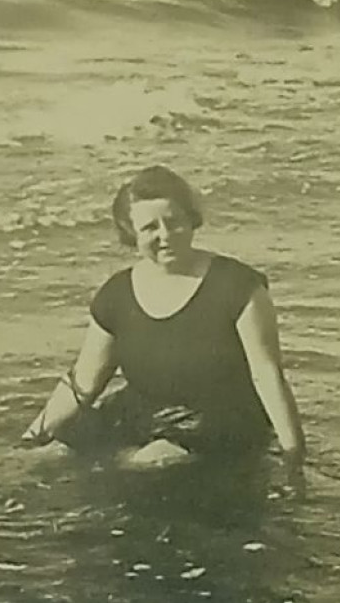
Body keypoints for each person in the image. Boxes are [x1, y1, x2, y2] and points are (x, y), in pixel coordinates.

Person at [20, 165, 307, 490]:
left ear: (190, 219)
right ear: (131, 233)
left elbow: (267, 376)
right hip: (143, 413)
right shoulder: (117, 294)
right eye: (150, 228)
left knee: (141, 462)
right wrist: (32, 438)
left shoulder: (238, 286)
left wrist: (293, 456)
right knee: (54, 451)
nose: (165, 236)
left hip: (218, 421)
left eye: (173, 222)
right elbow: (83, 383)